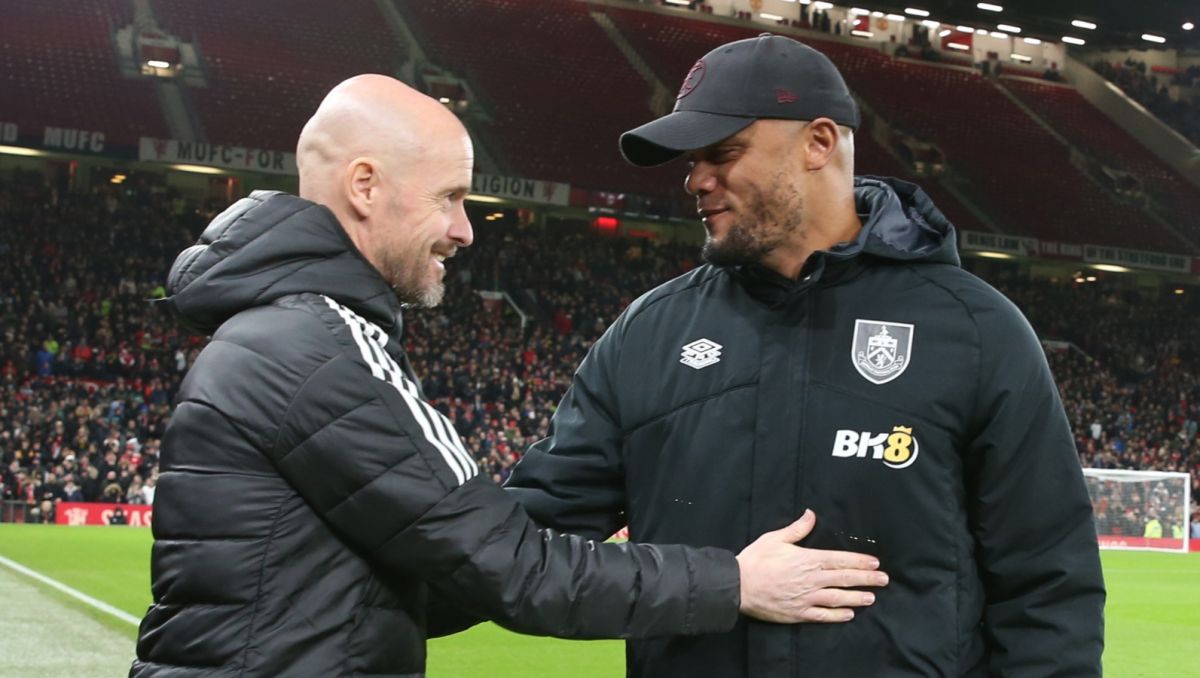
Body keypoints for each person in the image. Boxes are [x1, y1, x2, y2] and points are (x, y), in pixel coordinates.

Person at [130, 74, 890, 677]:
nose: (464, 230)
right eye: (451, 198)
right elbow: (510, 567)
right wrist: (735, 583)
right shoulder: (317, 349)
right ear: (364, 186)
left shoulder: (281, 334)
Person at [506, 35, 1106, 677]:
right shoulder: (647, 335)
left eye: (723, 153)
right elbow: (519, 542)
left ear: (819, 143)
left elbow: (1048, 591)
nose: (696, 180)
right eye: (691, 161)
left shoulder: (977, 331)